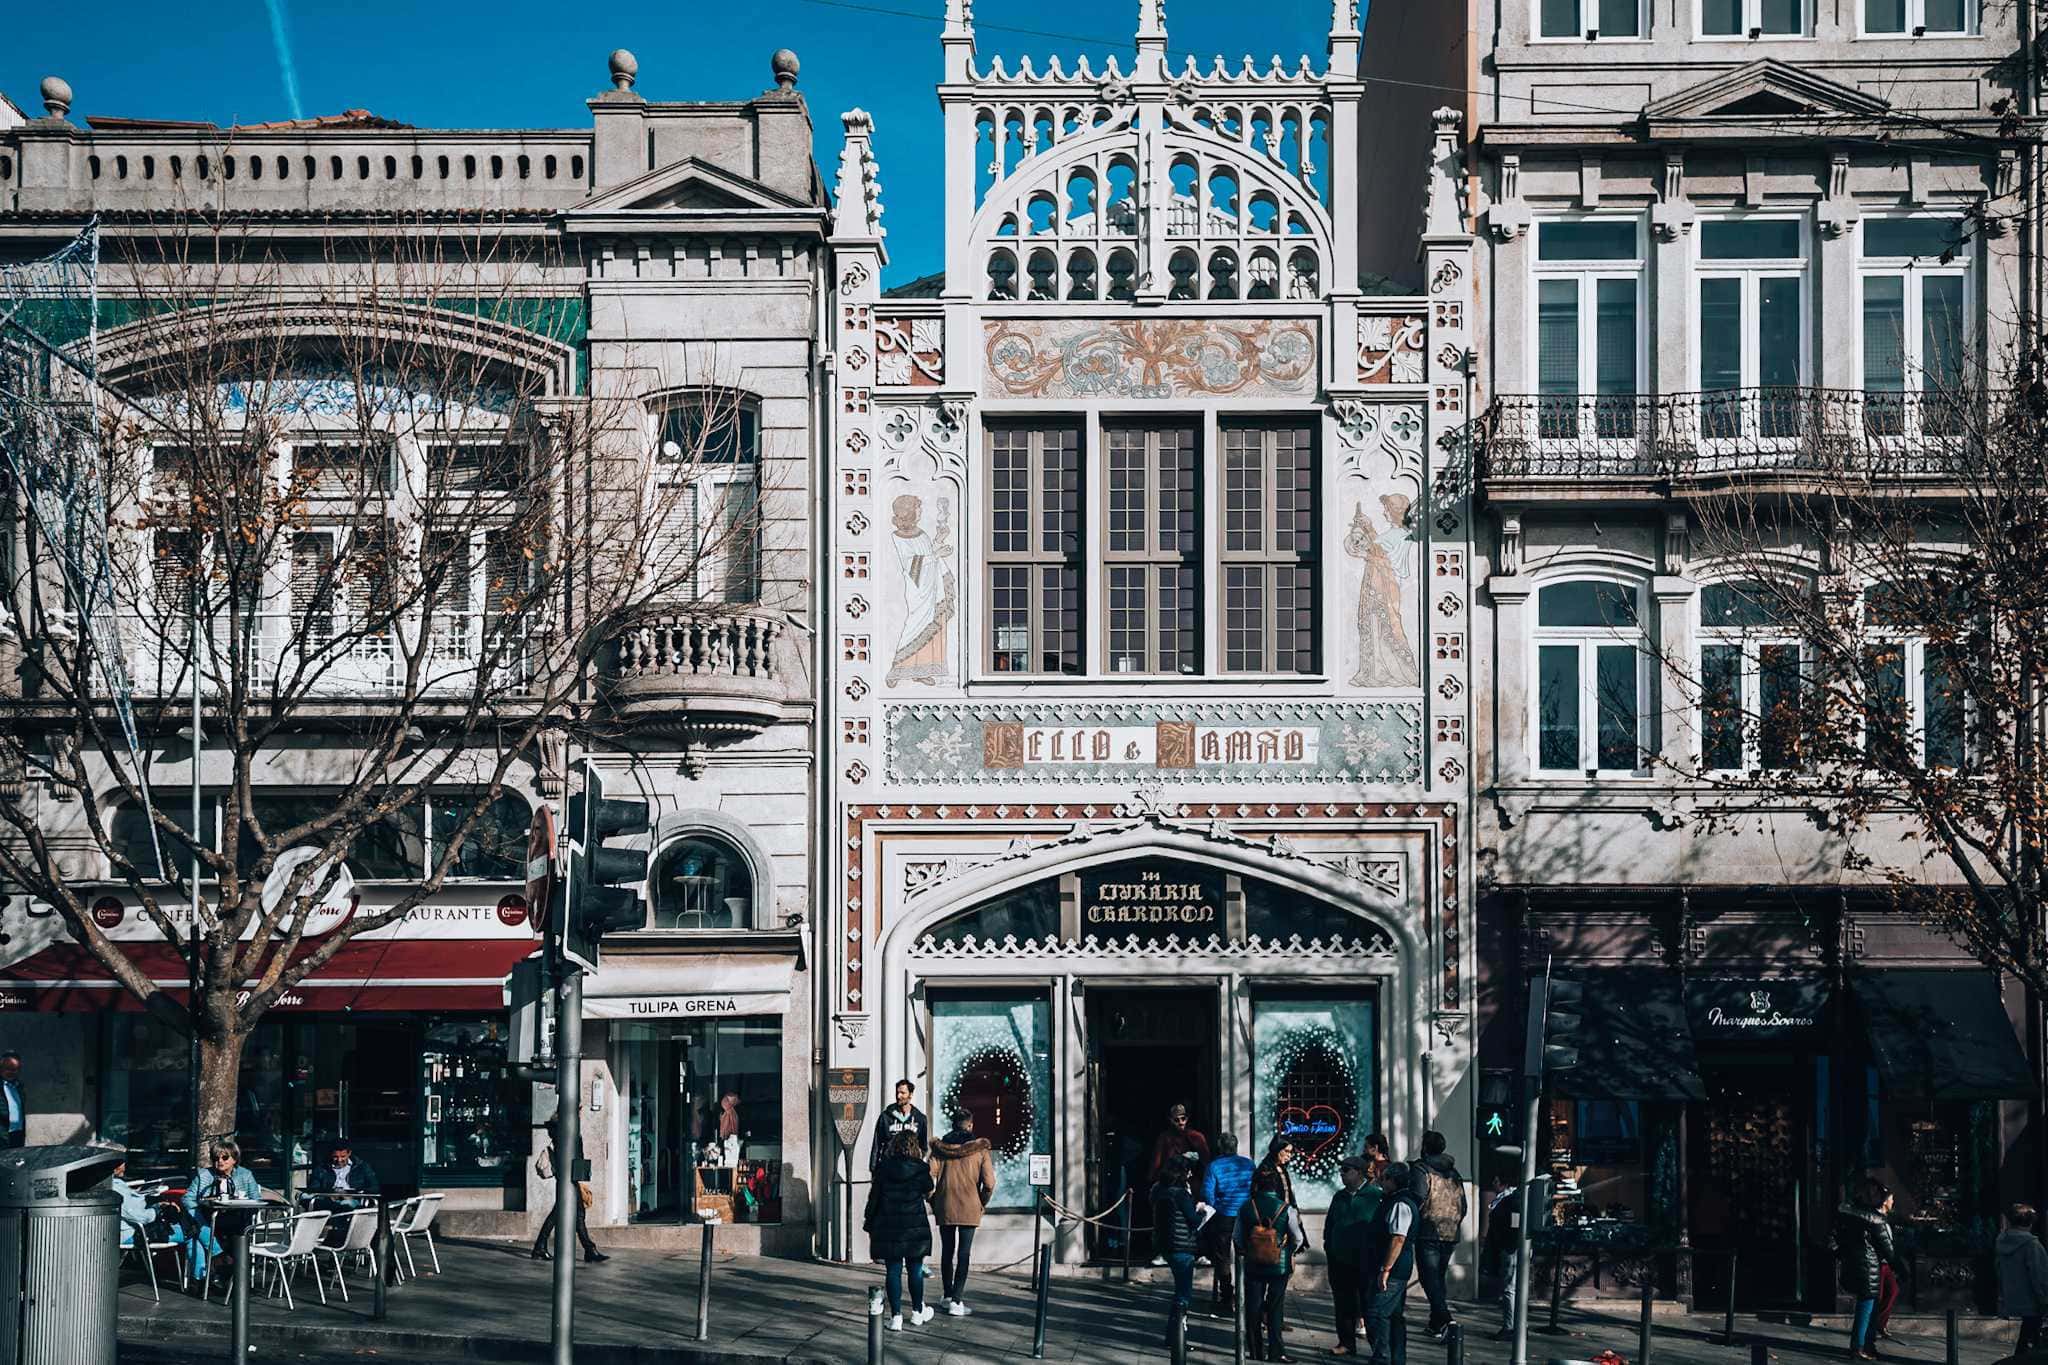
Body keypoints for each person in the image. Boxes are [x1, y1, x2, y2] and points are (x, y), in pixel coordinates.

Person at [866, 1130, 936, 1332]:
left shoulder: (883, 1168)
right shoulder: (921, 1168)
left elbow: (874, 1198)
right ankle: (916, 1312)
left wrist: (869, 1222)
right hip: (914, 1226)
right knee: (915, 1270)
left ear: (893, 1146)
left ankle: (896, 1316)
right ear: (915, 1147)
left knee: (893, 1271)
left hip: (890, 1226)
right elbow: (928, 1190)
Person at [1235, 1163, 1306, 1362]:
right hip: (1279, 1265)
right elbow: (1298, 1238)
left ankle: (1255, 1350)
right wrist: (1287, 1250)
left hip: (1253, 1265)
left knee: (1253, 1307)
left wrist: (1249, 1248)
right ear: (1275, 1186)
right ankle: (1276, 1351)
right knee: (1276, 1307)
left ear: (1256, 1185)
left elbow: (1238, 1237)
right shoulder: (1286, 1209)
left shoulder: (1246, 1207)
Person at [927, 1109, 995, 1317]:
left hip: (945, 1204)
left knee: (947, 1251)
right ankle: (957, 1300)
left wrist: (933, 1198)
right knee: (964, 1253)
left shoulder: (940, 1149)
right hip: (970, 1205)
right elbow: (989, 1183)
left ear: (953, 1123)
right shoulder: (980, 1150)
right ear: (970, 1125)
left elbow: (929, 1177)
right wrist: (981, 1201)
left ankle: (947, 1296)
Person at [1833, 1178, 1902, 1361]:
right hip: (1869, 1266)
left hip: (1854, 1265)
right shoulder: (1876, 1220)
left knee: (1868, 1306)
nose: (1891, 1201)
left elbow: (1834, 1237)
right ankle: (1860, 1346)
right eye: (1888, 1197)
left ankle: (1866, 1345)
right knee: (1867, 1307)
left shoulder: (1850, 1213)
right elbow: (1889, 1249)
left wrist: (1842, 1253)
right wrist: (1901, 1268)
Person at [182, 1140, 266, 1283]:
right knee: (194, 1220)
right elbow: (187, 1199)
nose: (220, 1161)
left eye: (225, 1158)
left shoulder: (245, 1175)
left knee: (195, 1233)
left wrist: (242, 1204)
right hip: (210, 1218)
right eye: (216, 1158)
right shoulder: (204, 1175)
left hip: (237, 1219)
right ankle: (219, 1262)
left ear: (234, 1159)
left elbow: (256, 1199)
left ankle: (206, 1279)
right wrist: (202, 1204)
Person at [1365, 1161, 1422, 1365]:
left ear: (1393, 1180)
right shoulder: (1393, 1200)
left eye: (1385, 1177)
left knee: (1377, 1313)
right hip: (1392, 1266)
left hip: (1393, 1269)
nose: (1381, 1181)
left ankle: (1383, 1357)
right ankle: (1396, 1359)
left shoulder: (1400, 1204)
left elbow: (1398, 1238)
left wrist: (1386, 1269)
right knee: (1394, 1315)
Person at [1412, 1131, 1468, 1338]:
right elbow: (1463, 1205)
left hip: (1428, 1231)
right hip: (1450, 1233)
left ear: (1425, 1147)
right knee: (1437, 1279)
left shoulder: (1421, 1169)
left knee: (1429, 1279)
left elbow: (1417, 1197)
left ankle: (1447, 1321)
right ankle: (1436, 1324)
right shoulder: (1454, 1173)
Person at [1326, 1154, 1380, 1357]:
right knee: (1343, 1304)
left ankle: (1378, 1347)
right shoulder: (1339, 1196)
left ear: (1358, 1172)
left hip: (1366, 1261)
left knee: (1369, 1306)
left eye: (1346, 1171)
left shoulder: (1374, 1196)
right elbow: (1330, 1224)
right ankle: (1346, 1342)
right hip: (1340, 1260)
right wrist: (1329, 1247)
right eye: (1341, 1171)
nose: (1342, 1175)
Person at [1152, 1152, 1207, 1350]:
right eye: (1188, 1171)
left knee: (1180, 1293)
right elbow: (1193, 1219)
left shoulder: (1159, 1190)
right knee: (1183, 1295)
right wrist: (1202, 1211)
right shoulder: (1181, 1194)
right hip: (1182, 1246)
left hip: (1166, 1245)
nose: (1191, 1175)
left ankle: (1172, 1336)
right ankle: (1177, 1338)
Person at [1148, 1104, 1212, 1265]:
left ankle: (1199, 1252)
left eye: (1183, 1118)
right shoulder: (1165, 1138)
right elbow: (1157, 1162)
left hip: (1192, 1185)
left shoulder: (1197, 1137)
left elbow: (1206, 1161)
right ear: (1171, 1120)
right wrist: (1156, 1181)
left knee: (1194, 1217)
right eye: (1177, 1120)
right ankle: (1162, 1252)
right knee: (1166, 1218)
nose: (1181, 1122)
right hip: (1171, 1184)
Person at [1201, 1132, 1257, 1312]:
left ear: (1220, 1147)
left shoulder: (1214, 1166)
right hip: (1246, 1214)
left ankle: (1227, 1295)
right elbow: (1255, 1188)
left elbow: (1208, 1193)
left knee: (1222, 1256)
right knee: (1247, 1254)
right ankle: (1249, 1294)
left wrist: (1216, 1205)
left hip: (1225, 1214)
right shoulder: (1249, 1164)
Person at [532, 1136, 608, 1264]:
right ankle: (589, 1250)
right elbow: (573, 1156)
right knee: (569, 1214)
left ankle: (589, 1250)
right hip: (568, 1178)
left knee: (572, 1214)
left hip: (569, 1177)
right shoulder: (567, 1129)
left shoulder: (565, 1129)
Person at [1999, 1204, 2048, 1353]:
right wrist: (2044, 1299)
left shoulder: (2002, 1241)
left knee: (2027, 1335)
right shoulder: (2032, 1245)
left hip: (2014, 1296)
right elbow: (2039, 1275)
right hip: (2032, 1299)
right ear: (2030, 1223)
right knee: (2031, 1338)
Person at [1483, 1176, 1522, 1341]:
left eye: (1497, 1181)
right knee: (1513, 1288)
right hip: (1510, 1247)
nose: (1493, 1184)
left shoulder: (1512, 1200)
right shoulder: (1509, 1199)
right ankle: (1515, 1326)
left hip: (1510, 1248)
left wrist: (1506, 1245)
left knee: (1510, 1289)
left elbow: (1514, 1226)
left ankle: (1510, 1327)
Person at [870, 1080, 929, 1174]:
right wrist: (874, 1169)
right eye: (897, 1092)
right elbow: (877, 1145)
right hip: (890, 1169)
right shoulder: (885, 1117)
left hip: (911, 1171)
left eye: (903, 1093)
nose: (898, 1096)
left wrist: (916, 1161)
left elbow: (924, 1146)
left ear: (910, 1094)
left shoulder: (920, 1118)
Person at [0, 1054, 24, 1148]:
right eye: (8, 1068)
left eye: (15, 1069)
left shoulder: (18, 1086)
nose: (12, 1072)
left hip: (17, 1133)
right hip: (2, 1135)